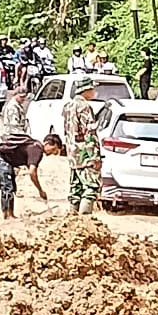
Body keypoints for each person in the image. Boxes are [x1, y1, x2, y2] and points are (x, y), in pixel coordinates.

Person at [0, 129, 63, 219]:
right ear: (46, 144)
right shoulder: (37, 150)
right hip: (2, 159)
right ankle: (7, 215)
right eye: (53, 149)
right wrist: (40, 190)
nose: (52, 153)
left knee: (11, 187)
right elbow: (32, 172)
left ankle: (9, 214)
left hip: (6, 160)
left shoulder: (35, 145)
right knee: (8, 187)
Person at [62, 75, 101, 214]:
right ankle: (85, 221)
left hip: (72, 154)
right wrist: (95, 156)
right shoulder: (84, 107)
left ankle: (72, 217)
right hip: (85, 154)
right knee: (91, 187)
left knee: (75, 188)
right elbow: (90, 133)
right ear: (86, 90)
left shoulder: (68, 106)